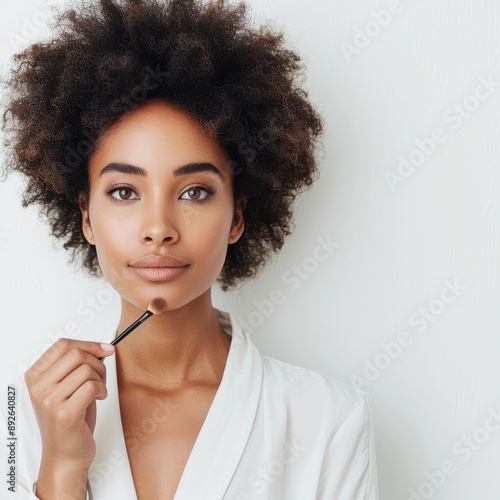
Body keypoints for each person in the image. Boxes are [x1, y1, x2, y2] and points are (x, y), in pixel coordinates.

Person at [1, 0, 379, 498]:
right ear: (87, 217)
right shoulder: (16, 412)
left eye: (195, 192)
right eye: (124, 192)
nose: (158, 228)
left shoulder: (326, 418)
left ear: (237, 216)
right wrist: (62, 472)